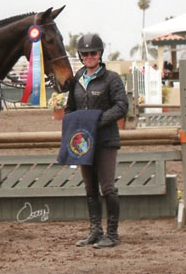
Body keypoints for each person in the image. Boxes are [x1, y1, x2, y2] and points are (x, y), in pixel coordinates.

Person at [65, 33, 128, 249]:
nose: (89, 56)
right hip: (84, 143)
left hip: (106, 141)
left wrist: (96, 121)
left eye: (93, 53)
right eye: (85, 53)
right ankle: (95, 231)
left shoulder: (112, 79)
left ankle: (112, 233)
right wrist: (72, 124)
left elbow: (122, 106)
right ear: (81, 56)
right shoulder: (77, 79)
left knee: (107, 187)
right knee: (90, 188)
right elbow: (70, 108)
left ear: (100, 54)